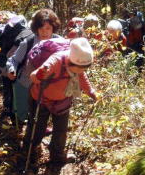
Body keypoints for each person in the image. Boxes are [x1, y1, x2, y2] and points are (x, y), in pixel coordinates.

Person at [23, 37, 97, 167]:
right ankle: (29, 152)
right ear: (71, 62)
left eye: (84, 68)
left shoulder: (78, 67)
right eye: (79, 68)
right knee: (37, 128)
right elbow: (33, 77)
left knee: (61, 130)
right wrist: (40, 74)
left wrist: (90, 91)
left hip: (63, 100)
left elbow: (81, 77)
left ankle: (57, 156)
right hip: (41, 100)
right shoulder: (57, 60)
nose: (81, 71)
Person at [6, 9, 62, 126]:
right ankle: (20, 136)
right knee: (22, 114)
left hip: (47, 85)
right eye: (41, 28)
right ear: (36, 28)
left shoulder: (59, 42)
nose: (44, 32)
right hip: (26, 83)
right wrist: (11, 69)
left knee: (39, 115)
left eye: (48, 28)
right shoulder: (29, 42)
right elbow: (14, 60)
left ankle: (35, 134)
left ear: (53, 28)